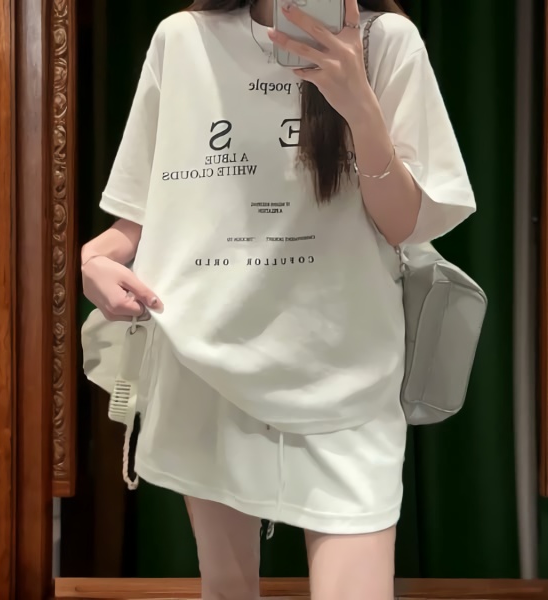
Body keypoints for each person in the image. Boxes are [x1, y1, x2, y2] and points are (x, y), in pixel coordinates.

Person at [81, 0, 475, 596]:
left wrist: (358, 104)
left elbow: (405, 224)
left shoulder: (388, 42)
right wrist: (94, 260)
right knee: (227, 590)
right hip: (208, 363)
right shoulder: (183, 40)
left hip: (345, 372)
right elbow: (140, 215)